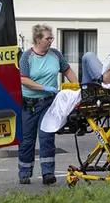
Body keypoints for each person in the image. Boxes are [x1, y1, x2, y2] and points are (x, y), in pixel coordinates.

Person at [18, 24, 78, 185]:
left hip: (48, 103)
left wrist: (77, 88)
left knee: (46, 137)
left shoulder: (55, 55)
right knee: (27, 140)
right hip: (29, 104)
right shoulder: (26, 57)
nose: (51, 41)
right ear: (38, 40)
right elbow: (23, 79)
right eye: (47, 38)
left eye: (51, 38)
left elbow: (67, 71)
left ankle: (48, 172)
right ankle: (24, 171)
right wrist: (44, 87)